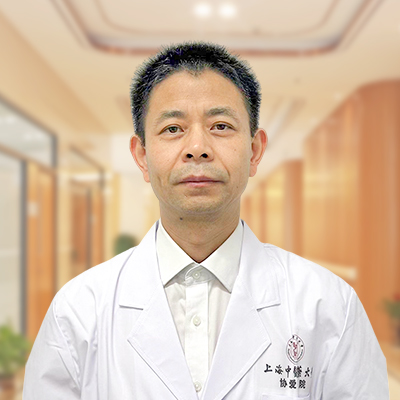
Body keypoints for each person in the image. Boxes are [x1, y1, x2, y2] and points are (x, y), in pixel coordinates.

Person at [23, 42, 389, 400]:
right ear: (142, 156)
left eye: (221, 126)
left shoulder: (328, 305)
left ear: (254, 151)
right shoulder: (78, 312)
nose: (197, 148)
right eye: (173, 128)